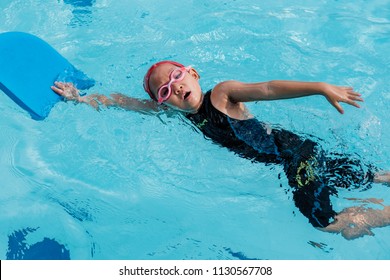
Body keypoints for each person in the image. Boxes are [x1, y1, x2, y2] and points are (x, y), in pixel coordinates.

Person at [51, 60, 390, 240]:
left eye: (178, 76)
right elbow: (125, 102)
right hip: (299, 153)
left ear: (194, 73)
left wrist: (319, 88)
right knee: (368, 176)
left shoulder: (223, 95)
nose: (176, 87)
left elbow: (269, 87)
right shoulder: (174, 111)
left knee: (327, 224)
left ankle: (373, 214)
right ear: (162, 102)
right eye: (165, 90)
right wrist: (80, 99)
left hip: (293, 156)